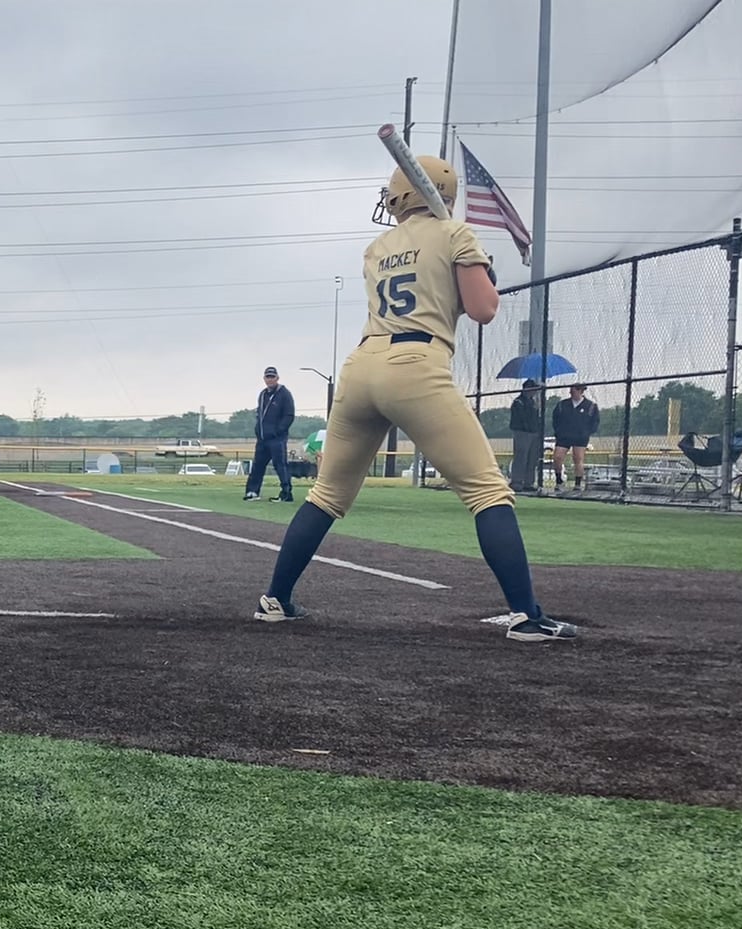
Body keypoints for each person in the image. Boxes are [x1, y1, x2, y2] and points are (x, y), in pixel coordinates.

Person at [252, 154, 577, 642]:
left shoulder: (377, 247)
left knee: (327, 495)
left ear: (402, 194)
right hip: (416, 363)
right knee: (488, 492)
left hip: (362, 365)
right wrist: (477, 266)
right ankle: (526, 615)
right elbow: (483, 309)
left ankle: (275, 600)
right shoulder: (455, 232)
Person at [243, 366, 297, 502]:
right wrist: (258, 430)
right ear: (264, 379)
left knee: (280, 465)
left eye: (272, 377)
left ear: (277, 378)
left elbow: (289, 415)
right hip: (262, 438)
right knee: (257, 466)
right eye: (268, 377)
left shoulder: (284, 394)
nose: (270, 379)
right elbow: (260, 413)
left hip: (277, 439)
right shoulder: (263, 394)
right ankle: (252, 491)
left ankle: (286, 493)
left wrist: (278, 430)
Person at [550, 382, 601, 494]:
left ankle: (577, 484)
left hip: (580, 437)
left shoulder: (590, 406)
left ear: (580, 391)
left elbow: (595, 422)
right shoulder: (562, 405)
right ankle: (559, 481)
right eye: (571, 391)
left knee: (578, 458)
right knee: (557, 457)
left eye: (574, 391)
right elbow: (555, 419)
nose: (571, 393)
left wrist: (587, 432)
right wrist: (558, 432)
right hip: (564, 436)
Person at [508, 380, 544, 492]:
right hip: (522, 432)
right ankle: (517, 482)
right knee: (521, 457)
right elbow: (521, 419)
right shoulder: (519, 402)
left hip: (533, 433)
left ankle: (529, 482)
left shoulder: (533, 402)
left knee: (532, 459)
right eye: (533, 389)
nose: (535, 392)